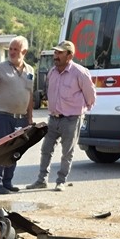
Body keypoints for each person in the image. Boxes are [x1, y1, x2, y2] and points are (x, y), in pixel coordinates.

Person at [27, 40, 96, 191]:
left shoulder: (79, 72)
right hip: (53, 118)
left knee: (67, 152)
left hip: (72, 119)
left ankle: (61, 181)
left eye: (60, 53)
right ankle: (41, 180)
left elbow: (90, 95)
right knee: (46, 149)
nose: (56, 56)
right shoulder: (52, 72)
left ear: (69, 56)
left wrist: (82, 110)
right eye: (55, 52)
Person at [0, 38, 33, 193]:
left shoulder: (30, 70)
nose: (12, 52)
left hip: (21, 118)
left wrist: (29, 118)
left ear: (24, 52)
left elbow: (30, 95)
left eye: (16, 49)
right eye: (10, 48)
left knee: (15, 151)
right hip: (2, 117)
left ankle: (7, 182)